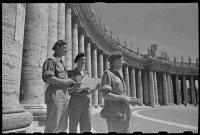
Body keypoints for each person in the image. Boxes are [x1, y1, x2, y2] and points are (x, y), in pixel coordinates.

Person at [42, 39, 81, 133]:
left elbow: (65, 84)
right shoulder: (51, 61)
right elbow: (49, 78)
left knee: (62, 126)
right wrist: (65, 82)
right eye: (65, 47)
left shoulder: (62, 64)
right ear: (58, 47)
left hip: (65, 95)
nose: (67, 50)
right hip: (55, 94)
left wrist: (75, 87)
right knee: (53, 124)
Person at [100, 51, 142, 133]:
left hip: (124, 114)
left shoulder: (118, 75)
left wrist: (129, 99)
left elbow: (120, 94)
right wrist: (122, 98)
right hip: (114, 115)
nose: (124, 62)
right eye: (122, 60)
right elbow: (105, 95)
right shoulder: (108, 74)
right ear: (116, 61)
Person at [68, 53, 96, 133]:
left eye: (85, 60)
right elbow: (67, 90)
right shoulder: (71, 73)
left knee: (87, 124)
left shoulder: (87, 74)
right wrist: (75, 87)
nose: (83, 61)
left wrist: (93, 89)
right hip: (75, 100)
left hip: (86, 100)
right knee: (73, 124)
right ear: (76, 61)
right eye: (81, 59)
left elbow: (90, 89)